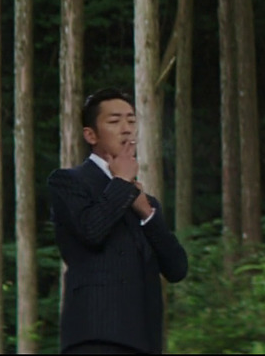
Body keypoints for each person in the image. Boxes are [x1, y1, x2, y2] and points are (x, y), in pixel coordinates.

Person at [47, 88, 188, 354]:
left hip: (145, 339)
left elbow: (177, 268)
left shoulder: (145, 202)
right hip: (95, 335)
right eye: (114, 121)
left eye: (132, 121)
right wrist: (122, 182)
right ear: (90, 134)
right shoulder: (67, 181)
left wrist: (147, 212)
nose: (126, 129)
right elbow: (91, 230)